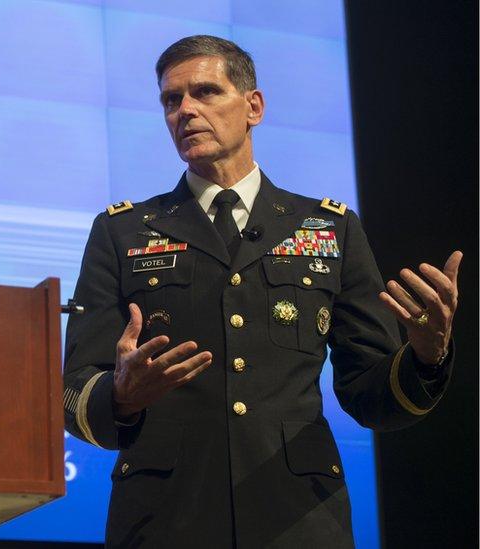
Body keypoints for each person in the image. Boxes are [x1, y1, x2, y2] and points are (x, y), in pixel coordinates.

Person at [62, 35, 460, 548]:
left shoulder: (328, 227)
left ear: (254, 107)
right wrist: (118, 397)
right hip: (165, 519)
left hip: (301, 518)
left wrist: (427, 357)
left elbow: (370, 396)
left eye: (205, 92)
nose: (185, 110)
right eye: (171, 99)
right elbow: (74, 388)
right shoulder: (122, 232)